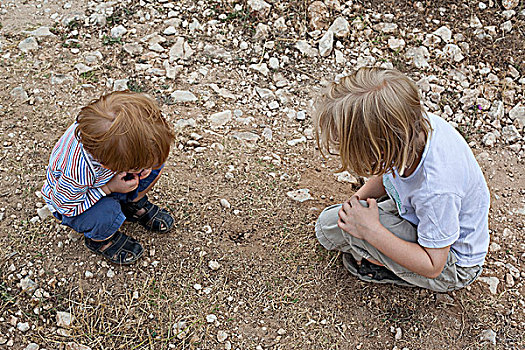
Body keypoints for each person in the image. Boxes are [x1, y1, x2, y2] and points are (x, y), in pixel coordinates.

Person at [314, 67, 490, 292]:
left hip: (451, 264)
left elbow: (433, 266)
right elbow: (387, 174)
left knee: (336, 231)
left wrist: (371, 231)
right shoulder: (409, 130)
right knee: (330, 225)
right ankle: (380, 248)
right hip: (416, 215)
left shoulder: (436, 189)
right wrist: (356, 201)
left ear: (380, 147)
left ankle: (384, 265)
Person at [42, 91, 175, 265]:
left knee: (156, 167)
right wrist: (107, 189)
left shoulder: (106, 139)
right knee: (107, 212)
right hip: (74, 200)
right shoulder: (77, 172)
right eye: (138, 166)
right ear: (107, 165)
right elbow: (65, 206)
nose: (145, 169)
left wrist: (145, 168)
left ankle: (132, 204)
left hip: (109, 177)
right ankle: (101, 241)